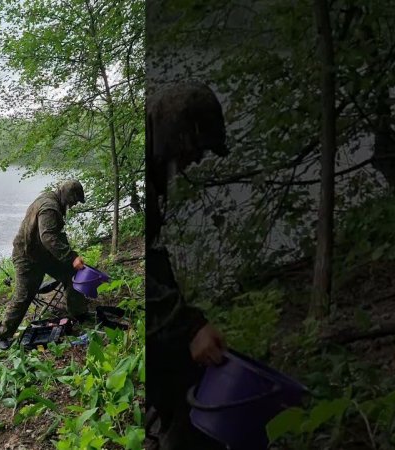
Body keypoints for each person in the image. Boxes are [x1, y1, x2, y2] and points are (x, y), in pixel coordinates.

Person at [145, 81, 230, 449]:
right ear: (179, 135)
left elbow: (153, 259)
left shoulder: (154, 168)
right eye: (196, 149)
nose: (196, 160)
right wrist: (187, 325)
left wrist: (183, 319)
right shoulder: (145, 173)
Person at [0, 180, 89, 350]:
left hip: (43, 254)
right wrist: (71, 257)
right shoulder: (50, 207)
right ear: (68, 195)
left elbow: (48, 241)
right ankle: (2, 334)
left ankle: (78, 314)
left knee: (71, 274)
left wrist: (70, 261)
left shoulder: (53, 200)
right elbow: (49, 238)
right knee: (23, 296)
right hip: (27, 257)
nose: (74, 204)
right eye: (74, 200)